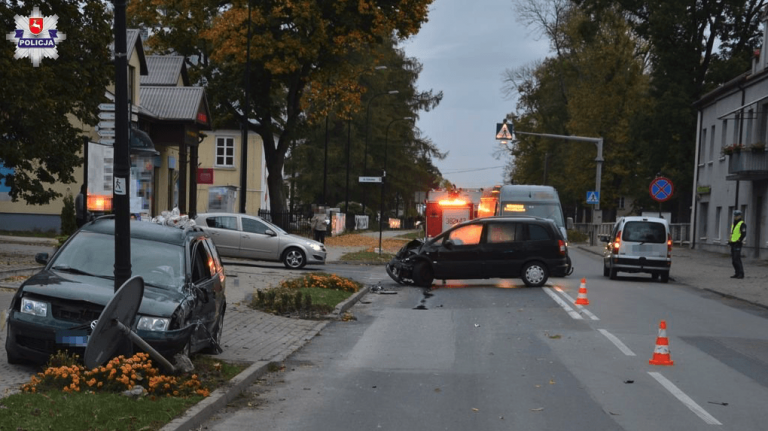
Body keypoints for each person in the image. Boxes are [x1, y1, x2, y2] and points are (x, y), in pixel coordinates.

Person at [728, 210, 746, 279]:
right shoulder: (734, 223)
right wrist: (729, 241)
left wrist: (739, 241)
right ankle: (736, 273)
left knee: (737, 259)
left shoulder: (742, 224)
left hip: (737, 244)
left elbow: (743, 234)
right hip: (733, 243)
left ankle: (741, 274)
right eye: (735, 216)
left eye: (736, 216)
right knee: (733, 260)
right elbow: (732, 233)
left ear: (739, 216)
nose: (735, 217)